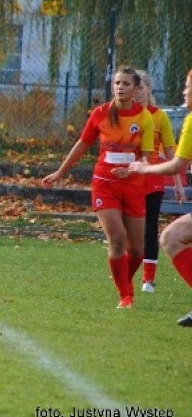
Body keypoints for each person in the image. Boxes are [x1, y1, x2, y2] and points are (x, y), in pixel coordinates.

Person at [43, 67, 154, 309]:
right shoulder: (100, 114)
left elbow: (146, 159)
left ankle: (126, 281)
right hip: (105, 184)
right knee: (117, 240)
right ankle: (125, 295)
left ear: (136, 89)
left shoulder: (144, 118)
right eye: (117, 83)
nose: (120, 87)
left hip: (134, 185)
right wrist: (60, 172)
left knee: (136, 250)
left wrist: (132, 169)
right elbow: (82, 145)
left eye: (126, 83)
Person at [124, 69, 192, 326]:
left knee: (166, 235)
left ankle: (147, 278)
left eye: (188, 87)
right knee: (171, 236)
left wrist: (145, 168)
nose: (184, 92)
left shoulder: (169, 118)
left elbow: (176, 164)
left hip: (149, 184)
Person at [135, 70, 184, 293]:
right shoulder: (123, 115)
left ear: (148, 89)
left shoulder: (159, 116)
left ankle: (148, 279)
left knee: (150, 227)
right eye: (131, 86)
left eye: (139, 87)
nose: (135, 92)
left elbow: (171, 153)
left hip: (152, 178)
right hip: (128, 179)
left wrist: (177, 182)